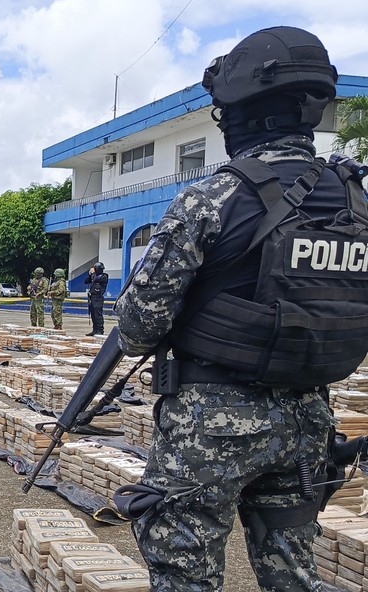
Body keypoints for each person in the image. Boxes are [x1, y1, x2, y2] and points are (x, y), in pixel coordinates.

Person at [113, 26, 357, 591]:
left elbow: (137, 327)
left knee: (185, 576)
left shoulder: (216, 196)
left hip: (211, 428)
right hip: (309, 422)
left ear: (240, 112)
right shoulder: (355, 200)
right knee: (294, 576)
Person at [84, 262, 108, 336]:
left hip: (98, 298)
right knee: (93, 315)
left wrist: (93, 273)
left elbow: (95, 279)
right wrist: (89, 274)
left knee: (98, 315)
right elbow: (86, 281)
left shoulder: (104, 276)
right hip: (92, 297)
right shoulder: (93, 276)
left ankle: (100, 330)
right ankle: (95, 330)